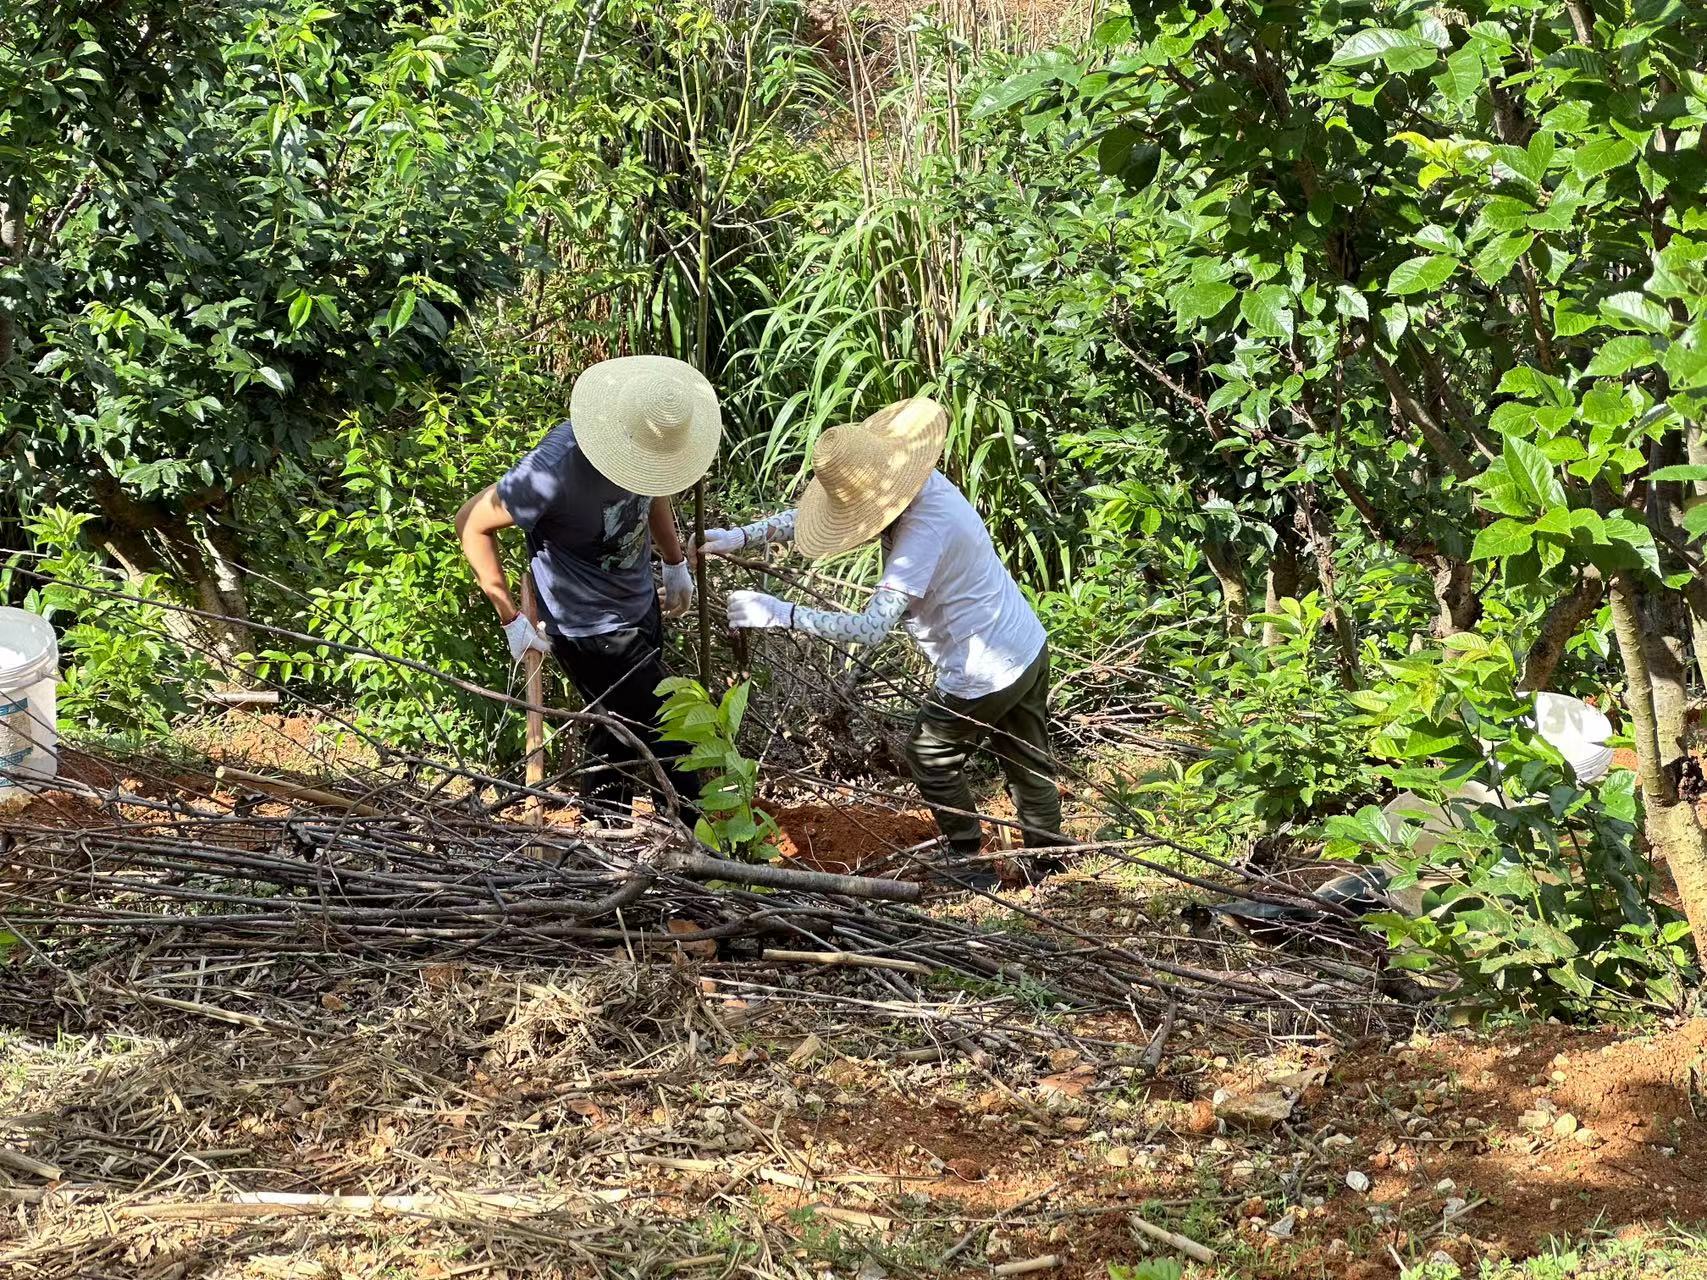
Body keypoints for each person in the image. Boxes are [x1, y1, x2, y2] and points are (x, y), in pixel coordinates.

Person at [701, 397, 1066, 889]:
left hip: (982, 665)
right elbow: (818, 514)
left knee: (930, 755)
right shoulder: (918, 483)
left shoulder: (921, 532)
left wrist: (781, 613)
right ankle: (1051, 858)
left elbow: (873, 627)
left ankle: (971, 867)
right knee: (1026, 754)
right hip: (1023, 641)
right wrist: (743, 536)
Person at [456, 355, 721, 821]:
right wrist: (510, 619)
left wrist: (674, 561)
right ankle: (697, 840)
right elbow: (471, 523)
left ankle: (604, 823)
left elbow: (653, 489)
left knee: (617, 724)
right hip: (587, 626)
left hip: (638, 603)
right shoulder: (553, 469)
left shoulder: (650, 448)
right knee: (672, 724)